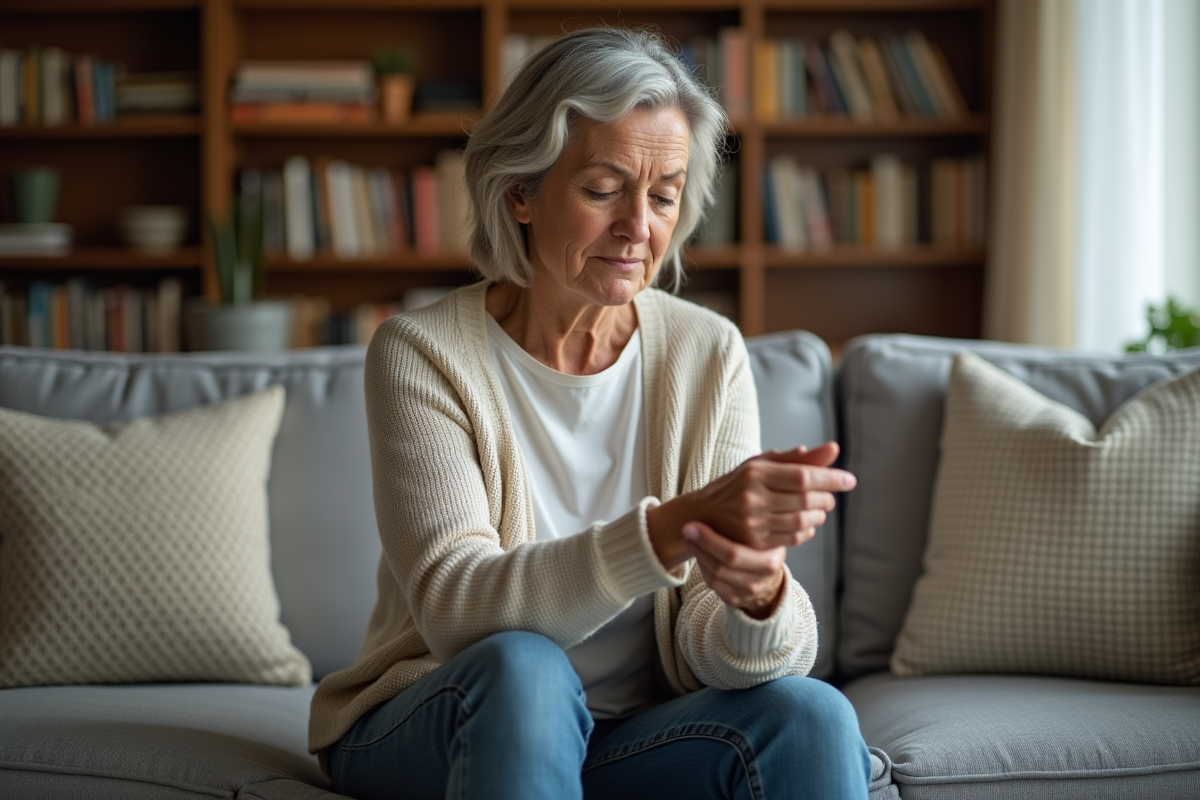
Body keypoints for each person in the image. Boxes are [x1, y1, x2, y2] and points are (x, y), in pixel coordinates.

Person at [308, 26, 872, 800]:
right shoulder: (422, 351)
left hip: (630, 735)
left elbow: (721, 654)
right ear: (521, 191)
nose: (639, 226)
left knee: (810, 714)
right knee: (523, 669)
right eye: (603, 189)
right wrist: (669, 529)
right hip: (441, 713)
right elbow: (457, 613)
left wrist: (758, 597)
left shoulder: (707, 353)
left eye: (664, 195)